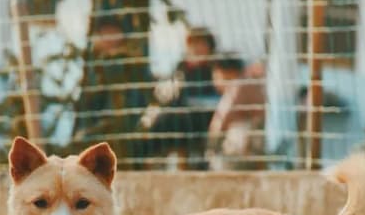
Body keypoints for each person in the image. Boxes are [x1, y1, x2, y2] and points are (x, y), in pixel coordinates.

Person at [73, 17, 152, 163]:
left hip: (126, 125)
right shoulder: (92, 64)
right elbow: (87, 102)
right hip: (95, 125)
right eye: (105, 33)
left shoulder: (131, 62)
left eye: (113, 32)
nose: (109, 37)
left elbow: (139, 97)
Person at [139, 26, 220, 166]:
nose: (196, 49)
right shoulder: (181, 69)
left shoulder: (216, 70)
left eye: (201, 44)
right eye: (192, 44)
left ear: (210, 47)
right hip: (179, 118)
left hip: (205, 118)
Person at [207, 55, 267, 169]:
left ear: (228, 72)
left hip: (241, 150)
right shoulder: (253, 84)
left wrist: (210, 148)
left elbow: (220, 121)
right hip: (256, 147)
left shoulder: (237, 87)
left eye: (216, 75)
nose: (214, 81)